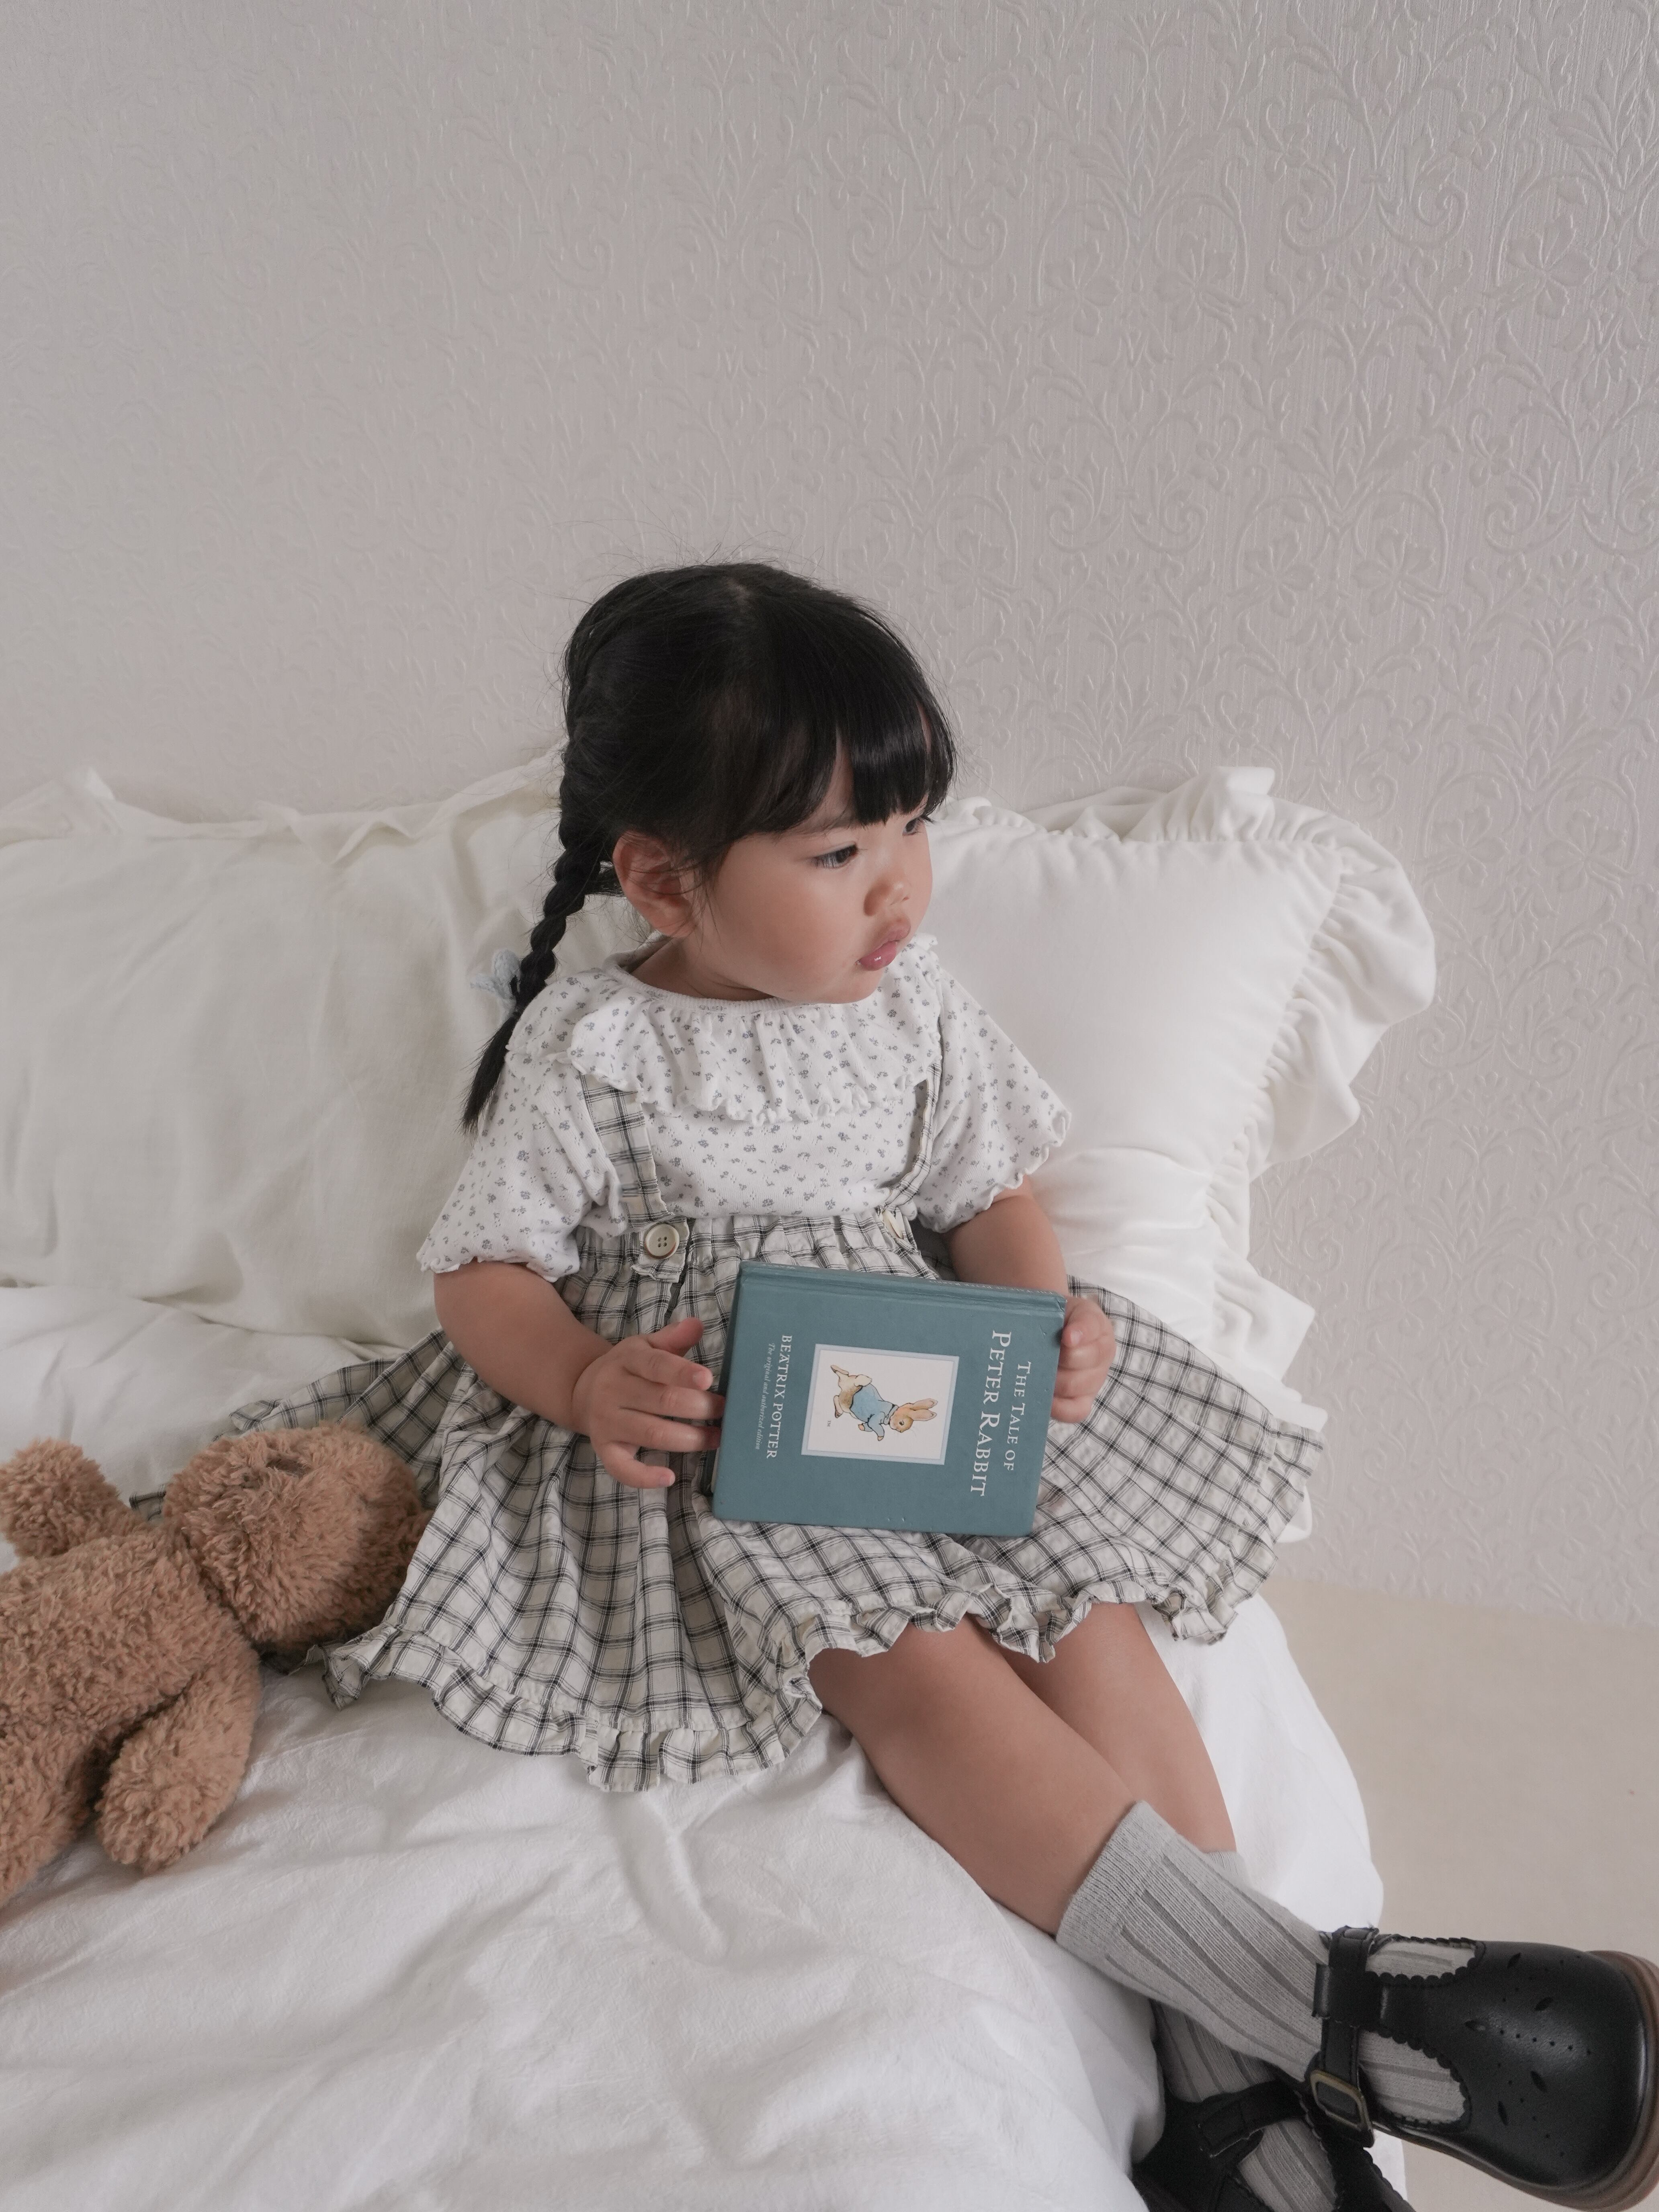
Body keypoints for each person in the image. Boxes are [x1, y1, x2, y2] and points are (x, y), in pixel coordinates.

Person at [231, 564, 1657, 2212]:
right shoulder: (596, 1048)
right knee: (904, 1663)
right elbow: (483, 1270)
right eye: (840, 852)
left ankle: (1233, 2086)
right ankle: (1326, 2009)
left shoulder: (912, 1005)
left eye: (913, 826)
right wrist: (581, 1378)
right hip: (728, 1444)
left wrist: (1042, 1319)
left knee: (1086, 1617)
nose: (900, 882)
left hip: (924, 1389)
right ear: (665, 879)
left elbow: (991, 1194)